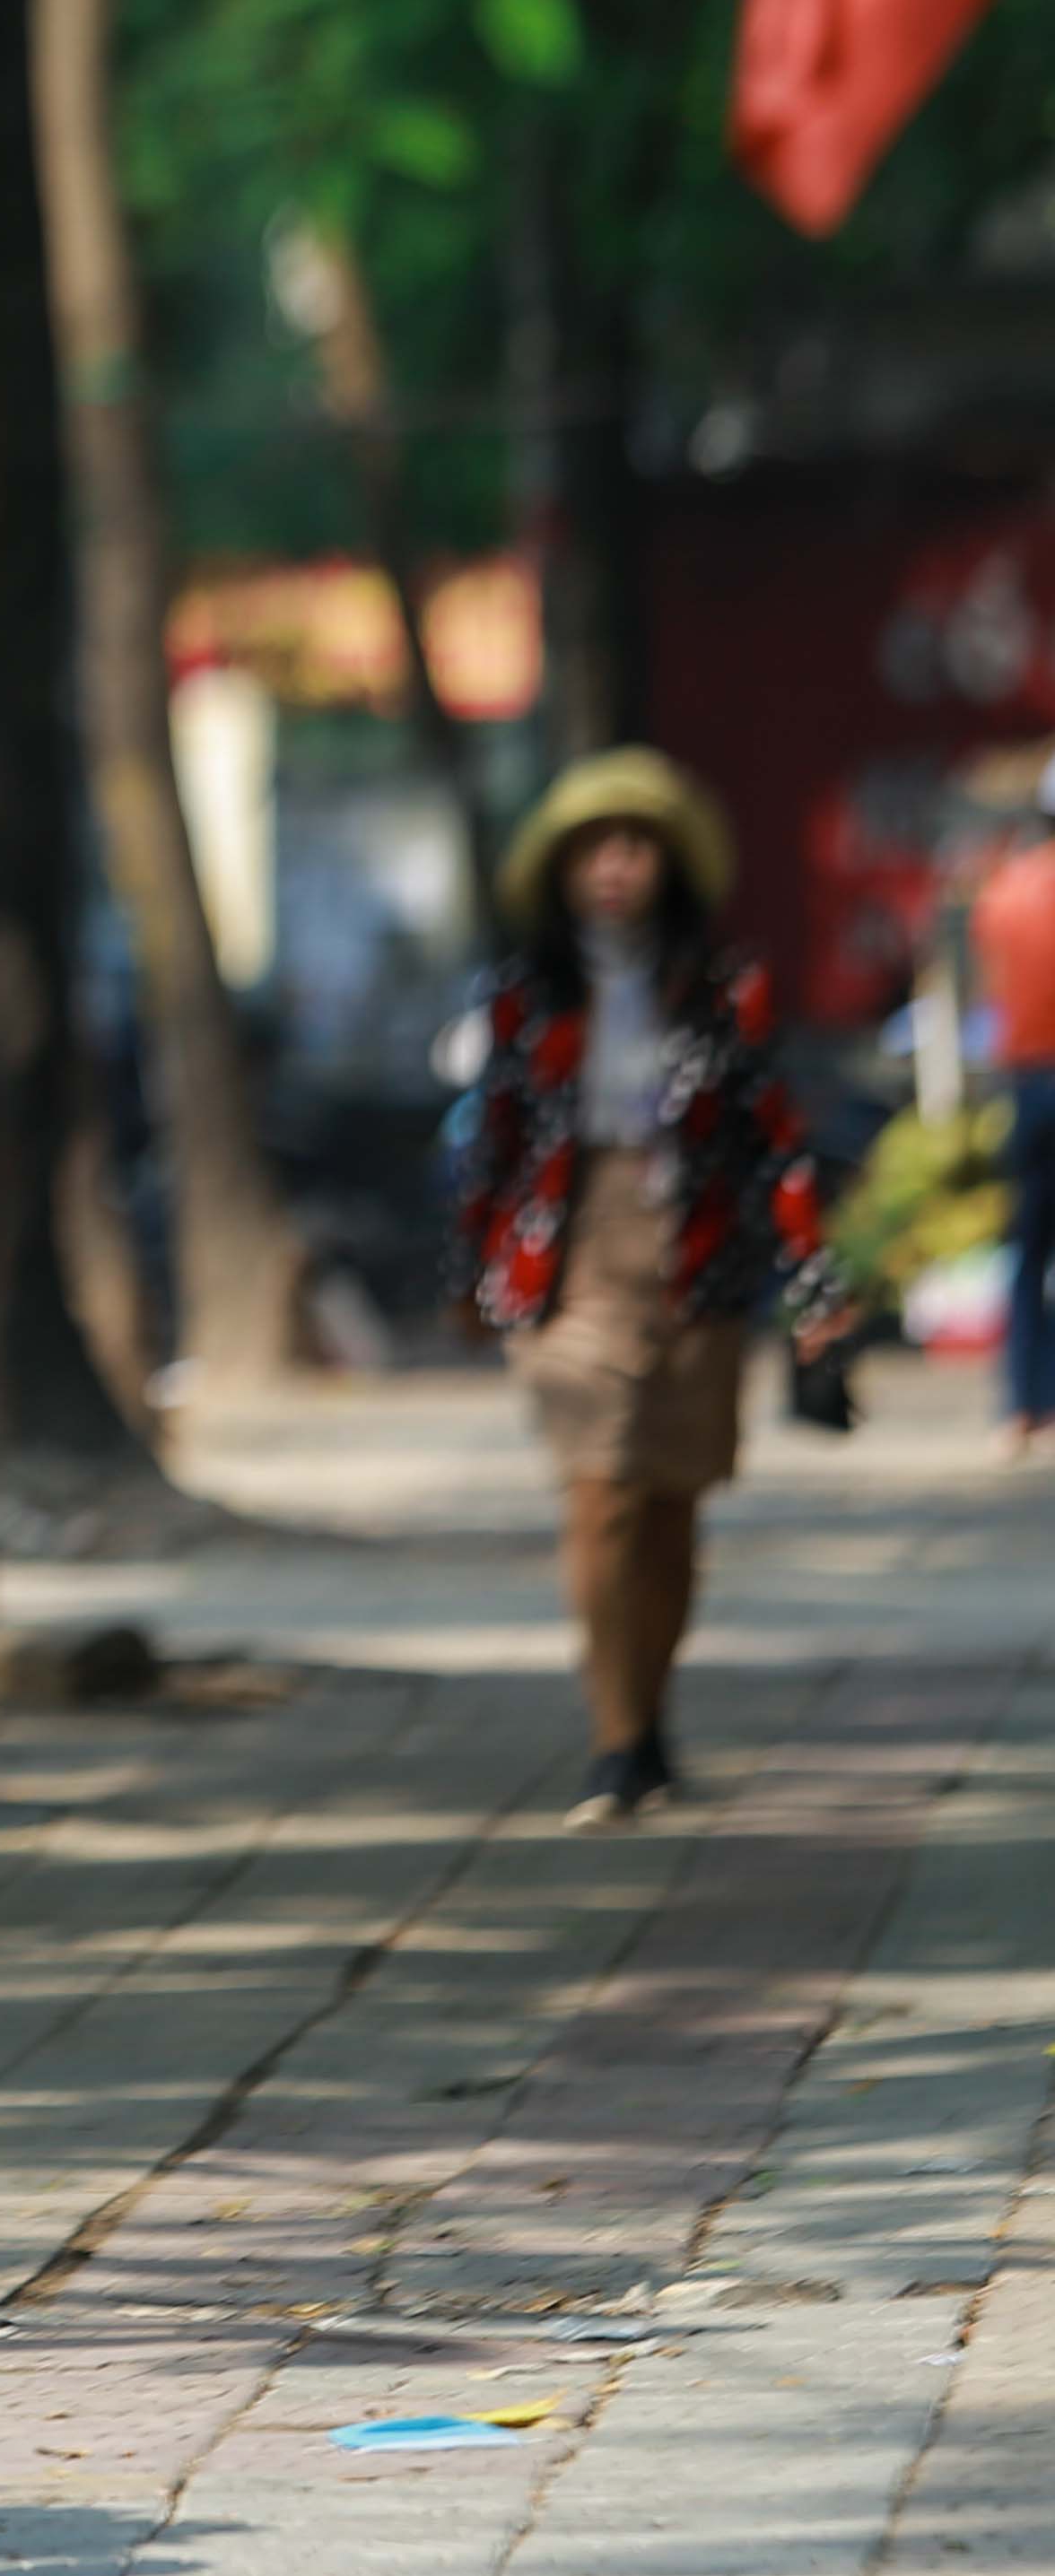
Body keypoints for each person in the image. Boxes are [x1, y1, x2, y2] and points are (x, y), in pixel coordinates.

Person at [449, 751, 844, 1828]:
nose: (616, 867)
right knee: (602, 1490)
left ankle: (651, 1720)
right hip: (568, 1259)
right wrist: (468, 1270)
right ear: (562, 868)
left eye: (636, 846)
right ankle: (612, 1740)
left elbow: (775, 1138)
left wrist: (815, 1286)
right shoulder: (523, 995)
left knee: (670, 1504)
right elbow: (488, 1139)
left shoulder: (725, 986)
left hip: (697, 1261)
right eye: (594, 848)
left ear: (670, 863)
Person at [963, 760, 1055, 1450]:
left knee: (1026, 1252)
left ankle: (1022, 1407)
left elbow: (986, 998)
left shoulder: (1003, 893)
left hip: (1025, 1084)